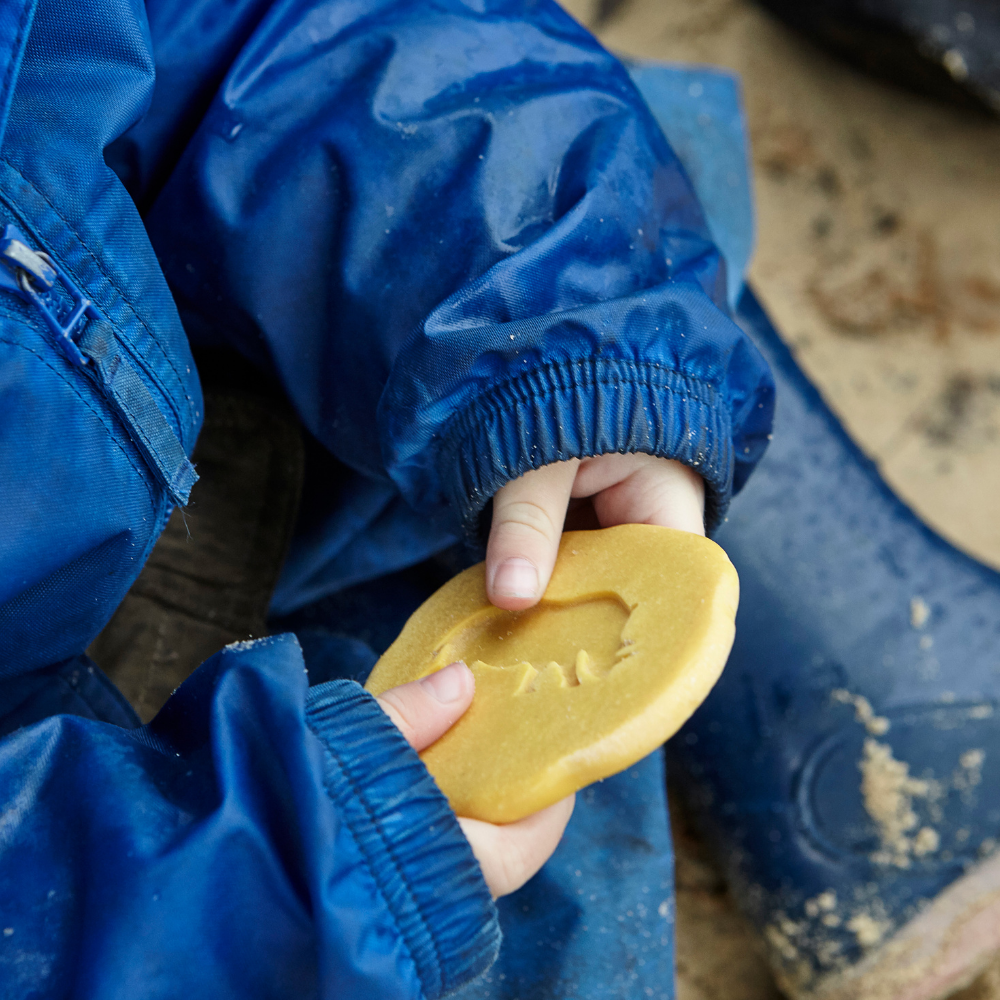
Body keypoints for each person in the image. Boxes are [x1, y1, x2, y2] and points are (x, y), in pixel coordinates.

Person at [0, 0, 773, 996]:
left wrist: (568, 332)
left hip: (138, 419)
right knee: (526, 934)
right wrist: (274, 891)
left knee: (633, 262)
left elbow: (251, 29)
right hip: (110, 877)